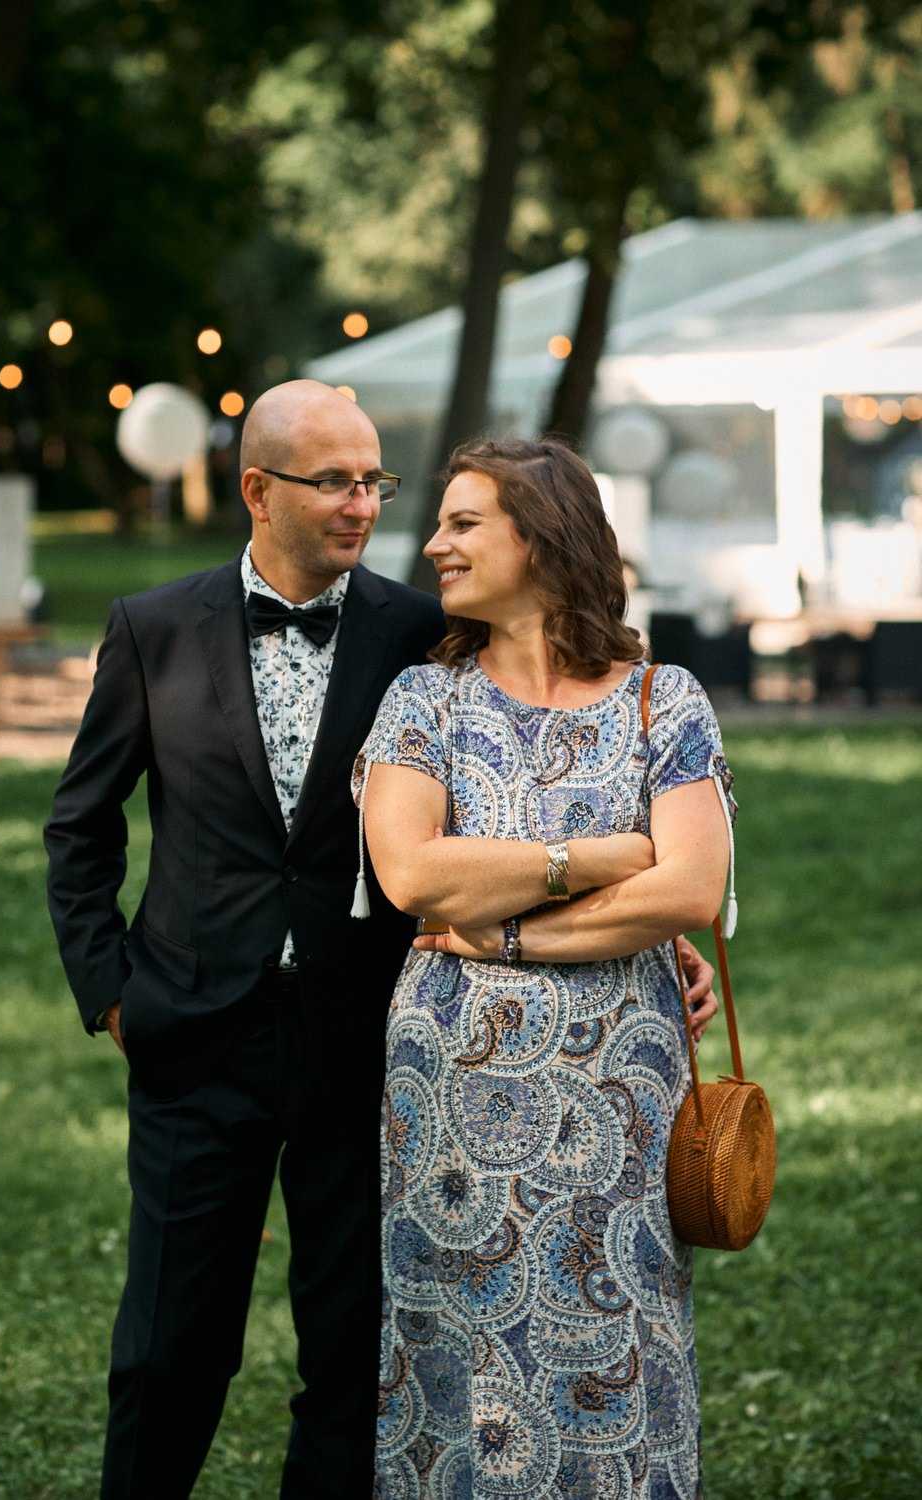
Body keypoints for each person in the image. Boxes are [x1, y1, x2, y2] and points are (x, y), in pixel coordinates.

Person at [44, 382, 716, 1500]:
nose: (363, 504)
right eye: (335, 483)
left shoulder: (421, 636)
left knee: (354, 1343)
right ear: (259, 490)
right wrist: (112, 994)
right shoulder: (152, 628)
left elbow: (522, 767)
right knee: (169, 1345)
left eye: (373, 481)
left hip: (364, 1038)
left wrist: (651, 939)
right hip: (193, 1036)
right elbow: (81, 826)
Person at [355, 436, 736, 1499]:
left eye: (463, 523)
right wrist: (594, 860)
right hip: (454, 1106)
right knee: (457, 1353)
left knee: (624, 1339)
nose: (434, 546)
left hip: (622, 1103)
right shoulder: (422, 702)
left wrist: (510, 931)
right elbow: (411, 873)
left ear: (542, 536)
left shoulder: (663, 700)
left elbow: (689, 891)